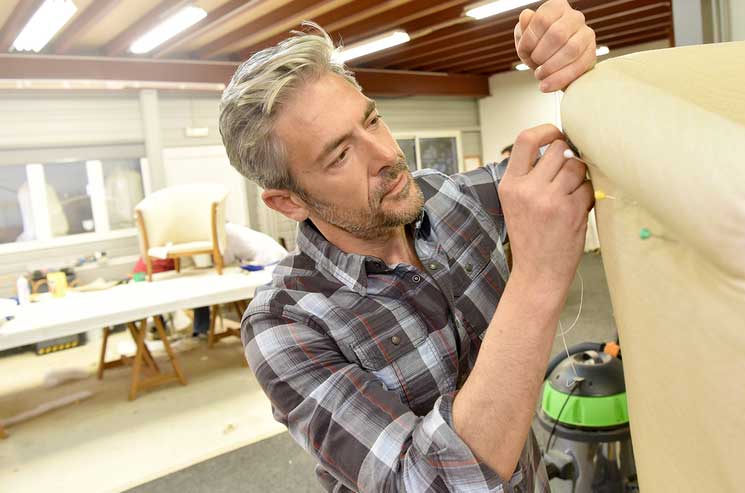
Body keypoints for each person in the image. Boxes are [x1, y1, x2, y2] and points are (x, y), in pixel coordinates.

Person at [219, 0, 597, 490]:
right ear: (288, 202)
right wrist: (538, 278)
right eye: (339, 155)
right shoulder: (286, 324)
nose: (388, 157)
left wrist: (577, 73)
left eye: (372, 121)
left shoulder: (446, 199)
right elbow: (429, 481)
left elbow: (588, 155)